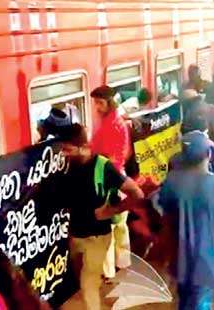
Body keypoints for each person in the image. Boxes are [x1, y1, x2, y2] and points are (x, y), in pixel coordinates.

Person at [59, 124, 144, 310]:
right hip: (75, 236)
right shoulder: (68, 165)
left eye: (68, 149)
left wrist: (111, 211)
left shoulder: (103, 166)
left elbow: (137, 193)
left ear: (82, 146)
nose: (64, 153)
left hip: (97, 237)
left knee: (88, 284)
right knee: (80, 282)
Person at [158, 130, 214, 310]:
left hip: (179, 262)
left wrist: (167, 258)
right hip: (207, 264)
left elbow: (166, 225)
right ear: (208, 155)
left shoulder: (171, 182)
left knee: (183, 303)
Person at [89, 85, 133, 281]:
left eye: (99, 103)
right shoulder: (117, 122)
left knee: (106, 228)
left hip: (108, 180)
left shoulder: (111, 125)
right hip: (119, 177)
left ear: (109, 102)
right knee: (120, 225)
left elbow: (108, 156)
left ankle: (107, 271)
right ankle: (123, 261)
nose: (97, 107)